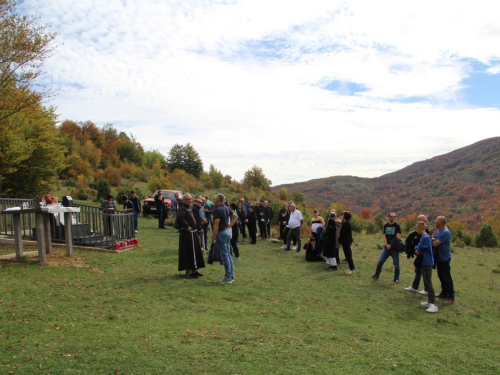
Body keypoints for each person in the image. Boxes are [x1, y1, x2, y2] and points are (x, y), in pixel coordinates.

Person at [175, 193, 205, 278]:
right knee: (189, 252)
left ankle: (194, 269)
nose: (190, 200)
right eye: (188, 199)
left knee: (195, 251)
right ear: (184, 200)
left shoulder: (189, 208)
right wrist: (186, 227)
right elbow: (180, 218)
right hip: (187, 235)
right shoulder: (182, 208)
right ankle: (189, 271)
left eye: (191, 199)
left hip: (193, 233)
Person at [212, 193, 238, 284]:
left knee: (225, 255)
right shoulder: (227, 208)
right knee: (228, 255)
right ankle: (231, 275)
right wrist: (229, 226)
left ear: (218, 200)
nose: (213, 201)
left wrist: (213, 238)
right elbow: (235, 216)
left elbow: (216, 226)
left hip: (221, 233)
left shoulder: (217, 210)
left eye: (214, 199)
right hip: (227, 232)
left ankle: (228, 277)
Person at [370, 212, 401, 283]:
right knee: (380, 261)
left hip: (394, 248)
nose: (393, 218)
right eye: (392, 217)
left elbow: (398, 237)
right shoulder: (386, 225)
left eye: (395, 217)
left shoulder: (397, 226)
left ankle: (396, 278)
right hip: (386, 248)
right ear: (388, 217)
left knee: (396, 264)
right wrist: (386, 244)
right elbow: (384, 235)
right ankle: (376, 275)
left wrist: (391, 245)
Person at [415, 221, 438, 313]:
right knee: (425, 280)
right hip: (425, 262)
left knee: (428, 282)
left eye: (417, 229)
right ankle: (429, 301)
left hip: (427, 262)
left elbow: (419, 250)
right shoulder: (425, 237)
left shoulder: (424, 238)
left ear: (420, 229)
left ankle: (434, 304)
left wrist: (416, 250)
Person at [404, 215, 429, 294]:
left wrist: (417, 250)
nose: (417, 222)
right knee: (418, 270)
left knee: (424, 272)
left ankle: (427, 289)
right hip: (420, 255)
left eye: (419, 221)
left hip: (424, 256)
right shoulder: (418, 233)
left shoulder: (426, 233)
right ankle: (415, 286)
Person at [433, 216, 455, 305]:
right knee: (441, 276)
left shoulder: (445, 232)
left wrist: (431, 241)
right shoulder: (437, 231)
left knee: (446, 277)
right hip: (438, 257)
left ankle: (450, 296)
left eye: (436, 221)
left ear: (441, 222)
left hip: (444, 258)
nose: (435, 222)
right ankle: (444, 293)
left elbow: (435, 243)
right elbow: (433, 239)